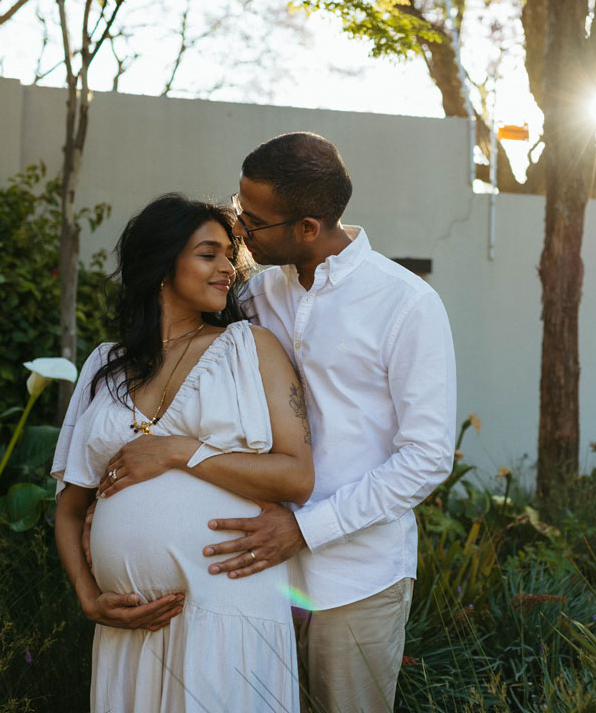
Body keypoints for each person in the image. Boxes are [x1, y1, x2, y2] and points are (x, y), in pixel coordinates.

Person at [106, 133, 457, 712]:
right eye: (239, 209)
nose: (239, 230)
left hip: (355, 578)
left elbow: (426, 458)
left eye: (254, 221)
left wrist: (305, 529)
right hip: (246, 576)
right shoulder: (257, 294)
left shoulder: (407, 305)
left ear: (309, 227)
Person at [52, 194, 314, 713]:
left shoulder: (250, 346)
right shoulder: (106, 365)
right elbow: (69, 508)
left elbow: (296, 476)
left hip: (228, 611)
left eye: (229, 254)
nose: (227, 269)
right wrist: (89, 598)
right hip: (129, 627)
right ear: (162, 264)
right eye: (208, 254)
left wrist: (180, 452)